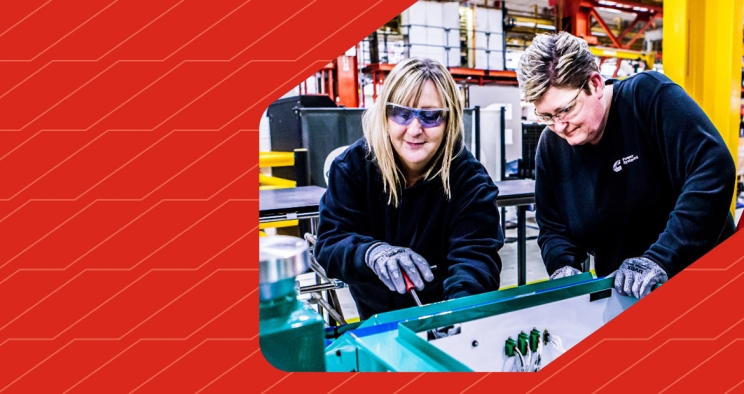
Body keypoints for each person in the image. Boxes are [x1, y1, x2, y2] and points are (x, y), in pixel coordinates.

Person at [516, 32, 737, 299]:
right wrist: (563, 266)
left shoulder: (648, 97)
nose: (559, 126)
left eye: (566, 110)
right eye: (547, 116)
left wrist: (660, 259)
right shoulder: (551, 146)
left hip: (705, 283)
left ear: (595, 84)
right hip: (625, 298)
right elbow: (553, 227)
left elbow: (713, 169)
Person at [314, 57, 504, 320]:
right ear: (385, 116)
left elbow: (475, 259)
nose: (415, 130)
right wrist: (371, 253)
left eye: (430, 116)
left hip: (444, 316)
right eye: (402, 114)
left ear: (449, 121)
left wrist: (456, 315)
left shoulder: (469, 180)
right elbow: (330, 244)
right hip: (375, 317)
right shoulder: (353, 167)